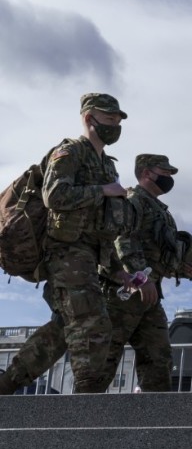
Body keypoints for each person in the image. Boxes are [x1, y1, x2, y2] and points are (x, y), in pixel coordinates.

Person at [0, 93, 129, 394]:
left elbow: (102, 228)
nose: (115, 125)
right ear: (88, 119)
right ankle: (86, 400)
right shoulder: (69, 152)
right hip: (65, 253)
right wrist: (103, 190)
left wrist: (118, 269)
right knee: (90, 323)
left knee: (63, 328)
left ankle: (6, 384)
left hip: (88, 255)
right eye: (109, 119)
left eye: (117, 120)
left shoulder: (107, 165)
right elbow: (54, 196)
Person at [90, 154, 192, 393]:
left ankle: (157, 421)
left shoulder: (161, 211)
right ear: (147, 173)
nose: (169, 178)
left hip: (149, 296)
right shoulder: (133, 200)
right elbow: (122, 239)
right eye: (165, 172)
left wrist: (185, 268)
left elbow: (159, 254)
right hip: (124, 293)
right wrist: (141, 277)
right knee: (104, 359)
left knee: (159, 360)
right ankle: (80, 419)